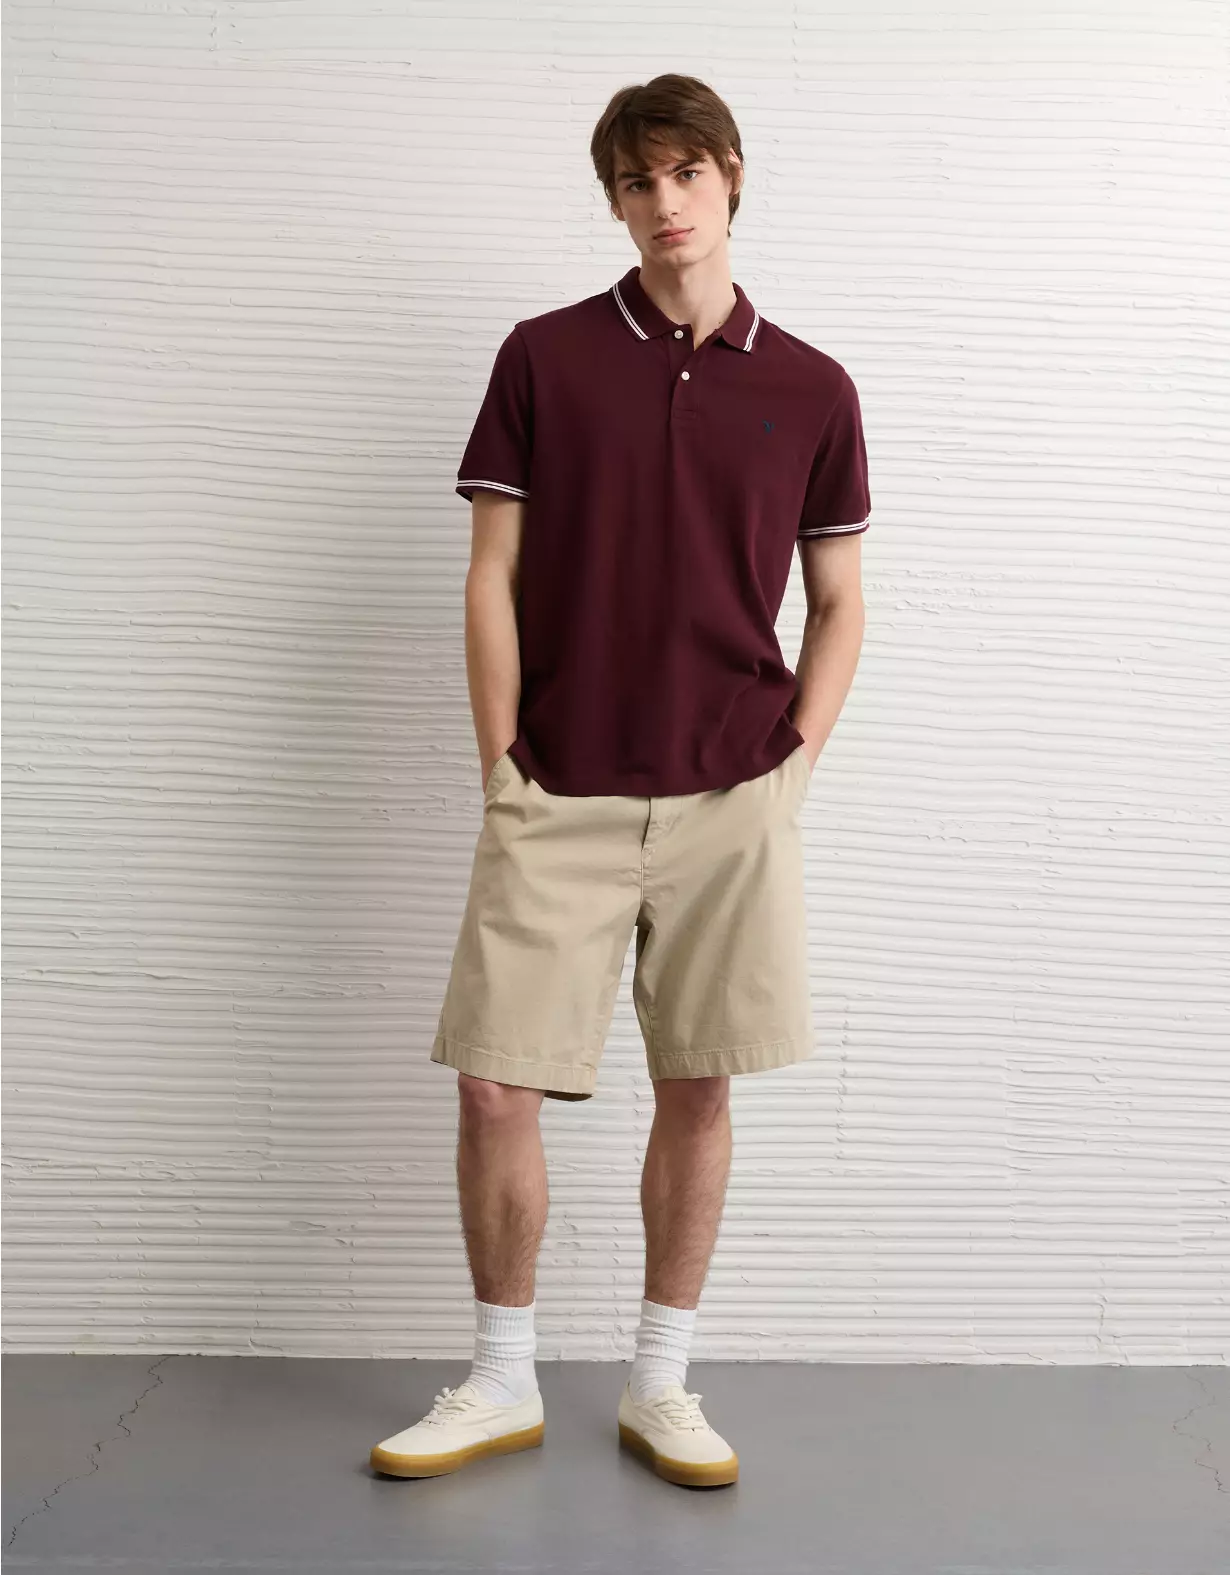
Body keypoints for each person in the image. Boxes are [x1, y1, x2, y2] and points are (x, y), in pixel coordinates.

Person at [370, 72, 870, 1490]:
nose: (664, 204)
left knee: (698, 1088)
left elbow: (839, 600)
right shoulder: (543, 357)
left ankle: (661, 1382)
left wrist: (790, 774)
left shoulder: (813, 387)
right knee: (491, 1087)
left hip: (732, 796)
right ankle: (501, 1377)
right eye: (637, 183)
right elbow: (492, 575)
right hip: (558, 786)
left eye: (686, 174)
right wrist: (501, 767)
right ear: (613, 202)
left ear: (731, 177)